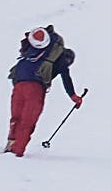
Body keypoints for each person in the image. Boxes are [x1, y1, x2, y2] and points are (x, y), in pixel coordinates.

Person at [5, 25, 82, 156]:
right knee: (28, 121)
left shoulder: (35, 50)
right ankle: (16, 153)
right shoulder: (61, 57)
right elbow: (65, 77)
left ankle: (10, 146)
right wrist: (73, 96)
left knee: (16, 118)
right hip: (35, 88)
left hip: (19, 83)